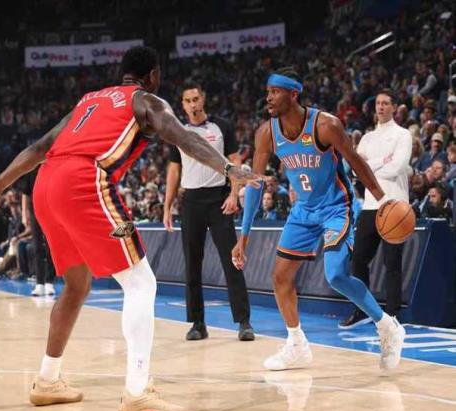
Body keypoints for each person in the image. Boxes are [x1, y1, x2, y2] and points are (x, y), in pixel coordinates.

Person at [0, 46, 261, 411]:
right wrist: (228, 168)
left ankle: (47, 379)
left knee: (76, 285)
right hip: (83, 182)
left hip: (46, 184)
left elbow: (41, 147)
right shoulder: (147, 101)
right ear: (153, 75)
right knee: (141, 283)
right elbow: (183, 138)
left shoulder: (88, 100)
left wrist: (1, 182)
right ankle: (138, 394)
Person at [232, 67, 405, 373]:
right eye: (268, 91)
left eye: (275, 92)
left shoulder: (326, 125)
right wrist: (242, 238)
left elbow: (356, 162)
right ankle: (297, 345)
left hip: (337, 207)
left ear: (293, 94)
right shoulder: (266, 133)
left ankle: (387, 326)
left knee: (336, 274)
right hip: (304, 210)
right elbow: (255, 185)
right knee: (280, 277)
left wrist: (382, 199)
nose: (268, 97)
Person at [163, 82, 254, 342]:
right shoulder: (178, 132)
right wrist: (167, 206)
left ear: (203, 99)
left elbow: (235, 161)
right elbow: (174, 170)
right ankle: (197, 324)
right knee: (192, 264)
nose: (192, 104)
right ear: (182, 105)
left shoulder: (221, 126)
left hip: (218, 200)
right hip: (191, 201)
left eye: (196, 99)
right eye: (187, 100)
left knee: (232, 260)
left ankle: (244, 322)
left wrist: (234, 193)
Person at [339, 89, 412, 329]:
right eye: (378, 103)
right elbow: (355, 169)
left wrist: (369, 168)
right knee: (358, 260)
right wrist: (382, 161)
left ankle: (392, 315)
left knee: (392, 263)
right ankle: (363, 310)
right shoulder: (367, 138)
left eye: (386, 103)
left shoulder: (403, 135)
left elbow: (398, 167)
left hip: (395, 205)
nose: (381, 107)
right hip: (370, 206)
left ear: (394, 107)